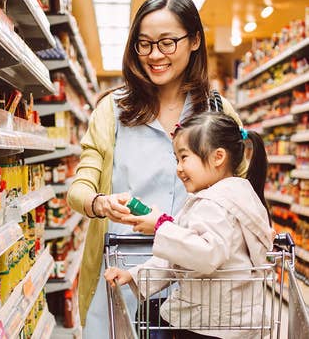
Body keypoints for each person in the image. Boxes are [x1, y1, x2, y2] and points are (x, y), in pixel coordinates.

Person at [68, 0, 246, 339]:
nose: (154, 55)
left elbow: (240, 191)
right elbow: (80, 188)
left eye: (167, 43)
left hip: (198, 278)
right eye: (144, 44)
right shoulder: (113, 110)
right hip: (121, 275)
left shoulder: (217, 112)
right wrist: (98, 202)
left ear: (194, 40)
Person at [105, 112, 273, 339]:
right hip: (228, 318)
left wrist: (161, 226)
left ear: (218, 157)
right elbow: (182, 258)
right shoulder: (237, 194)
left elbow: (205, 255)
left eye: (184, 157)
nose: (179, 168)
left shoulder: (214, 205)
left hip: (215, 325)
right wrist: (134, 275)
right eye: (176, 159)